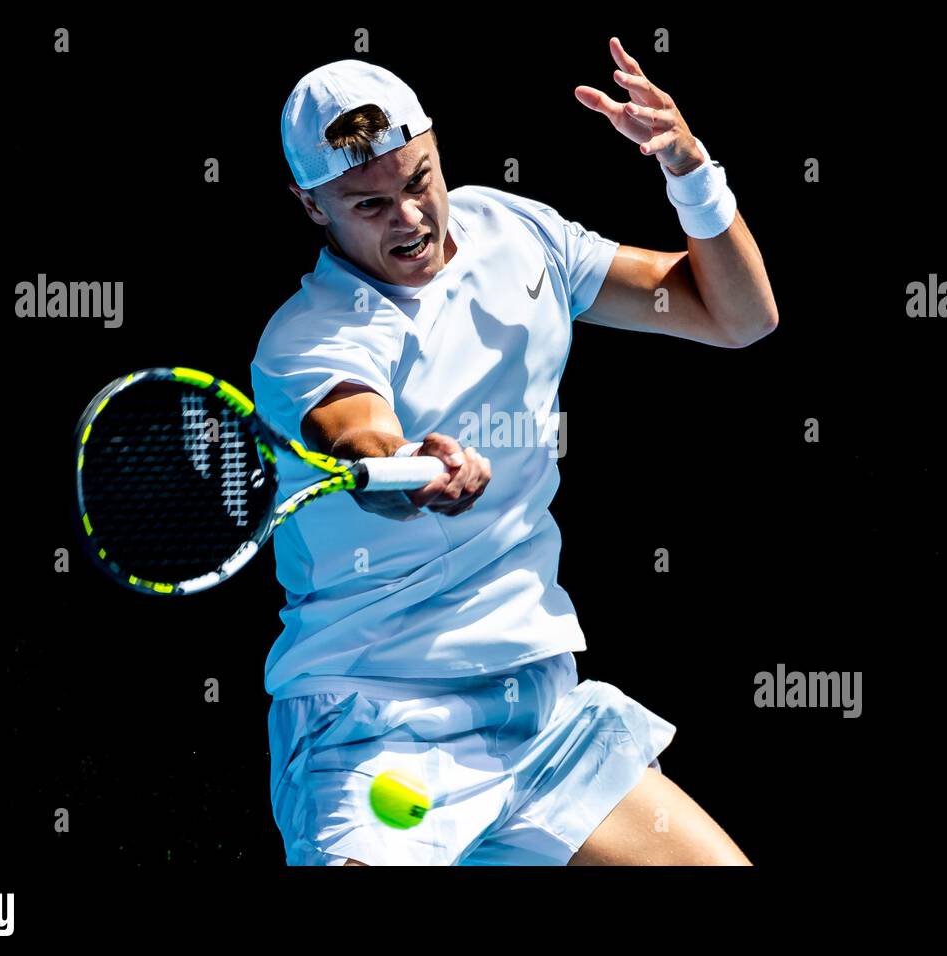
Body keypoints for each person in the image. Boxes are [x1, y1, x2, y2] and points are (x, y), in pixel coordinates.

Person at [253, 38, 776, 865]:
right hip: (376, 725)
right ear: (313, 206)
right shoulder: (311, 339)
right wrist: (415, 466)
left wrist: (690, 172)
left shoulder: (513, 232)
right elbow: (359, 436)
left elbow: (738, 318)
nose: (411, 218)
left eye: (418, 179)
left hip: (535, 712)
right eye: (369, 204)